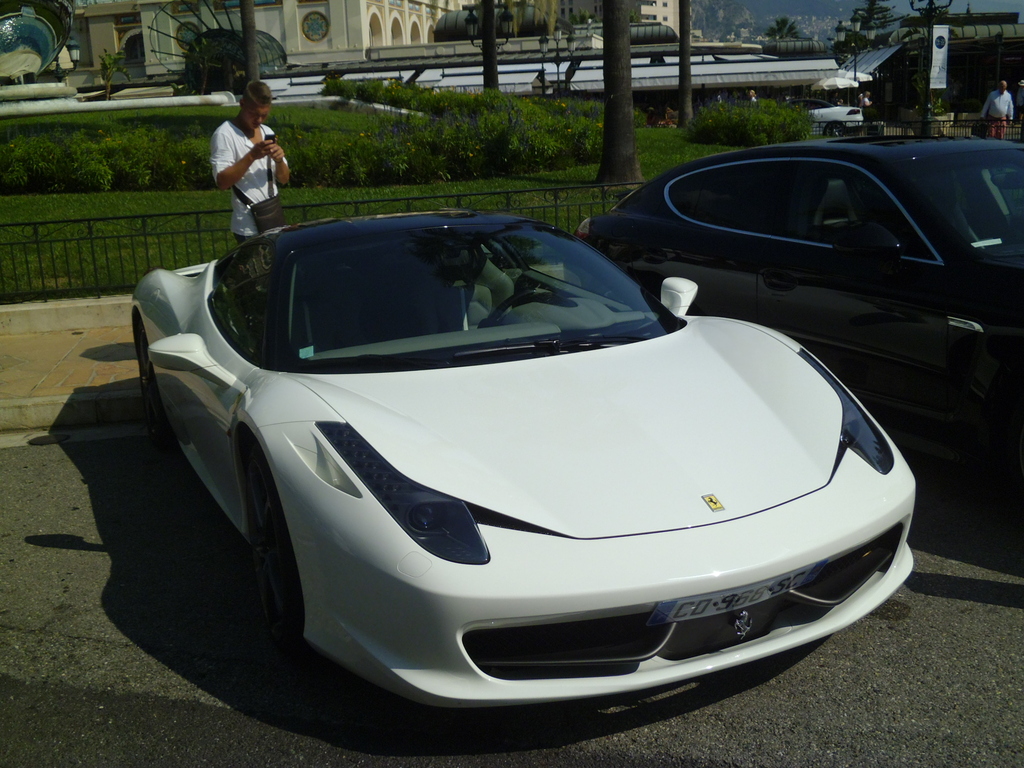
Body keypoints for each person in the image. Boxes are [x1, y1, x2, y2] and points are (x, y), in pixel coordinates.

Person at [210, 80, 290, 243]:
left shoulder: (267, 131)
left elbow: (284, 179)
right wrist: (252, 156)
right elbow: (222, 182)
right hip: (248, 225)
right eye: (254, 114)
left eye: (264, 115)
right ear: (242, 104)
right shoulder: (225, 134)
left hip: (272, 218)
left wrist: (279, 160)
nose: (259, 120)